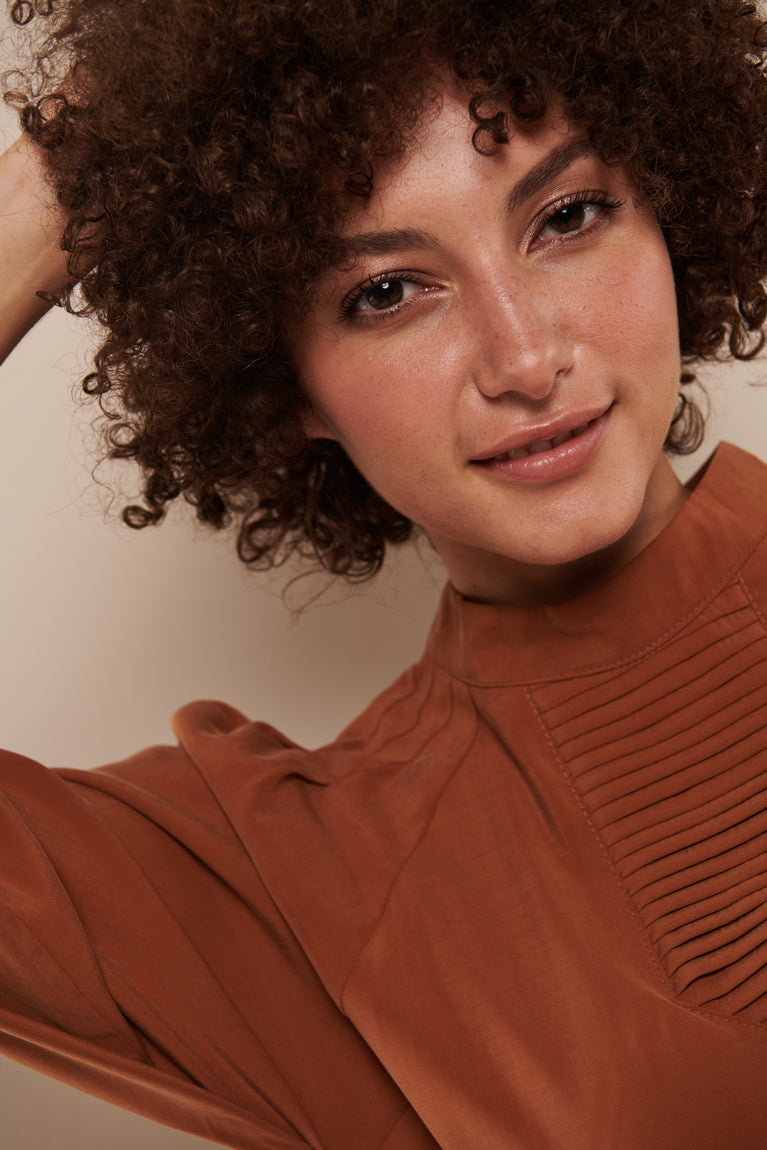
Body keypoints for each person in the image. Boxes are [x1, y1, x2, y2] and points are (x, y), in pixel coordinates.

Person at [1, 0, 767, 1147]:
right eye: (385, 292)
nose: (523, 358)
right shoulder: (309, 889)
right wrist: (70, 165)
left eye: (566, 215)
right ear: (286, 386)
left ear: (669, 209)